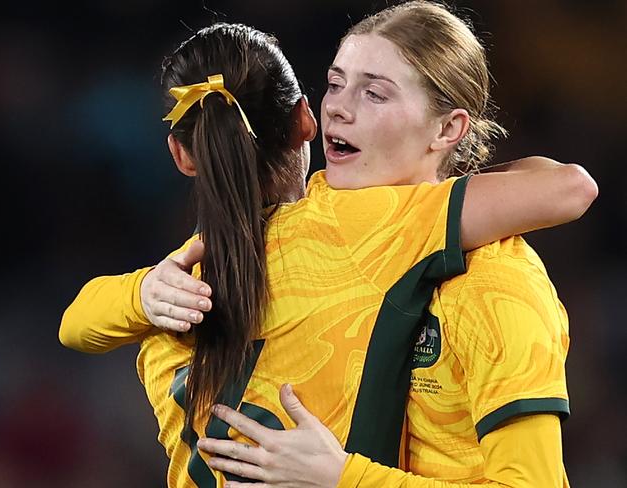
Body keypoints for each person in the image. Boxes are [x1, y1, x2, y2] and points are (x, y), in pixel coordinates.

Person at [59, 6, 596, 488]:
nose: (339, 109)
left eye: (374, 92)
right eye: (335, 84)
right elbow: (568, 185)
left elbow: (77, 324)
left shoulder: (496, 280)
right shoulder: (291, 228)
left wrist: (344, 477)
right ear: (305, 119)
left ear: (447, 127)